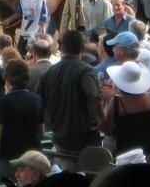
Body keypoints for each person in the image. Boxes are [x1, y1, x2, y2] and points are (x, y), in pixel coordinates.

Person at [33, 31, 104, 167]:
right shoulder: (86, 70)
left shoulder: (49, 73)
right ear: (82, 48)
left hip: (60, 141)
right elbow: (94, 96)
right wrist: (102, 119)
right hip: (86, 140)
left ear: (62, 48)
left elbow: (37, 103)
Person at [0, 59, 44, 182]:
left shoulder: (2, 102)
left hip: (9, 157)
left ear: (7, 79)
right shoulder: (37, 99)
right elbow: (41, 132)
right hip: (33, 156)